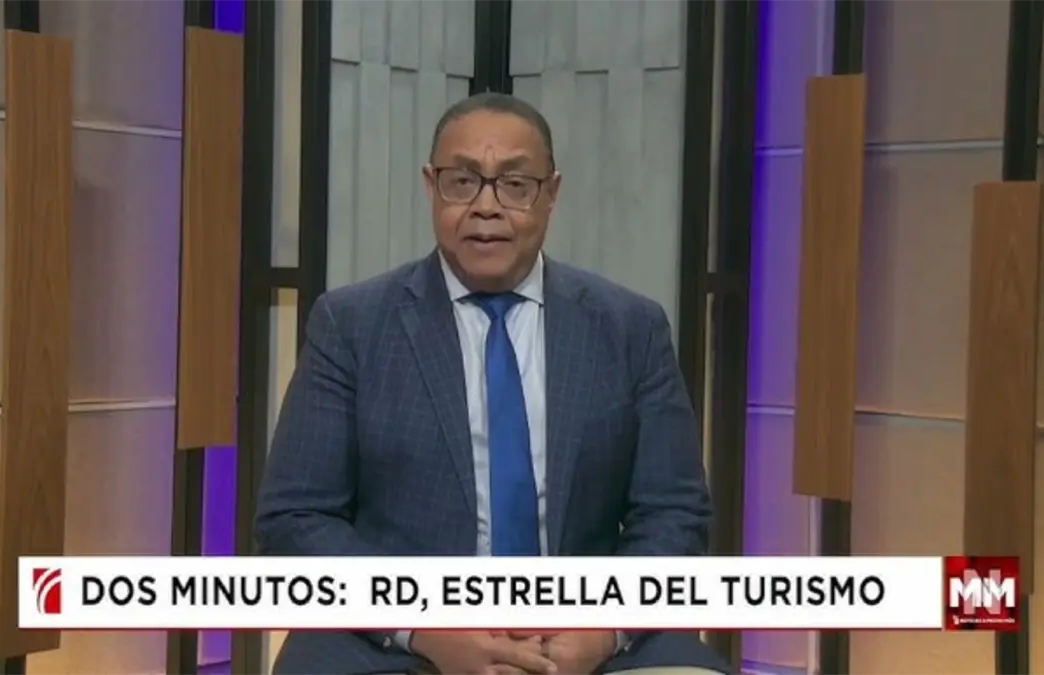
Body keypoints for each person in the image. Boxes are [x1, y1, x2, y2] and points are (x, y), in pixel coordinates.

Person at [256, 92, 729, 675]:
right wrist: (424, 625)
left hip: (587, 635)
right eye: (462, 182)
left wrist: (603, 630)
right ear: (431, 187)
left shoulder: (630, 327)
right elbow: (295, 518)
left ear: (552, 193)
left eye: (515, 184)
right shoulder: (352, 325)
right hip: (392, 642)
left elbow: (675, 513)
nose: (486, 207)